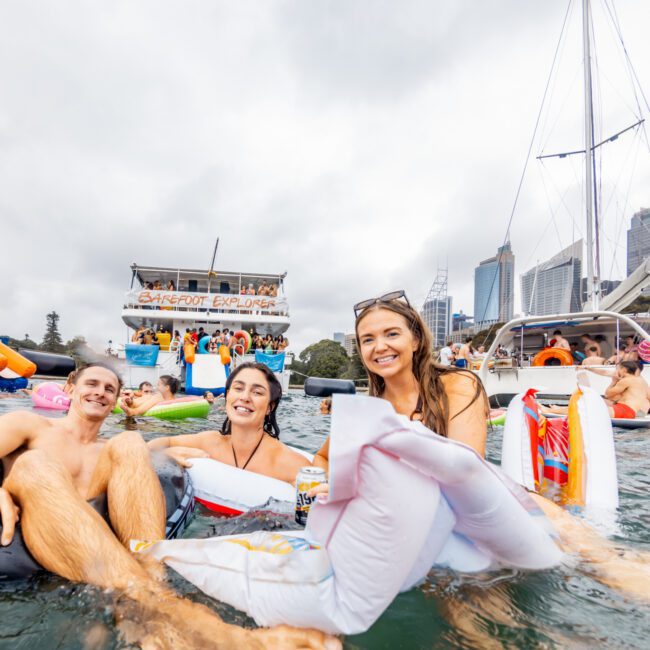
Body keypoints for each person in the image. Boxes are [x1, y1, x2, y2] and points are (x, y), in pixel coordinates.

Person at [0, 363, 334, 649]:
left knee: (131, 442)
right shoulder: (30, 425)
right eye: (91, 384)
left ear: (118, 400)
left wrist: (159, 456)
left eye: (109, 388)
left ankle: (151, 605)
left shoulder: (110, 449)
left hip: (98, 548)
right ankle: (189, 619)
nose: (100, 392)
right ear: (70, 388)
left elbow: (324, 492)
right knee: (33, 464)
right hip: (32, 512)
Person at [313, 291, 489, 467]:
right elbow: (323, 458)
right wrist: (331, 484)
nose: (380, 347)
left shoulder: (459, 385)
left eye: (392, 334)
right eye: (368, 340)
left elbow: (466, 475)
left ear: (416, 341)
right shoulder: (365, 411)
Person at [148, 363, 310, 485]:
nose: (245, 397)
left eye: (257, 392)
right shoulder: (209, 442)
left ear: (270, 407)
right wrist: (166, 456)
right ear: (227, 398)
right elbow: (158, 444)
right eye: (238, 388)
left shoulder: (291, 465)